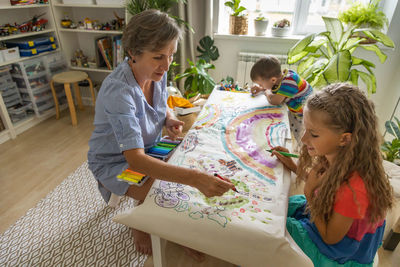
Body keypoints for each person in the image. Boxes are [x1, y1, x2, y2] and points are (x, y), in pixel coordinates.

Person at [87, 9, 235, 257]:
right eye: (158, 57)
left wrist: (169, 117)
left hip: (148, 147)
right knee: (168, 192)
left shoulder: (156, 73)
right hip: (115, 163)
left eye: (171, 55)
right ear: (133, 53)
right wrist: (196, 179)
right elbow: (135, 160)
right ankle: (142, 222)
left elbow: (161, 102)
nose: (166, 65)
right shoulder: (119, 92)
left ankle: (156, 216)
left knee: (193, 155)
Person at [271, 83, 394, 266]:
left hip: (339, 254)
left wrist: (310, 193)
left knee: (274, 231)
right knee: (279, 206)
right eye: (305, 130)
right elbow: (326, 184)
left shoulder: (354, 189)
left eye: (313, 134)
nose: (304, 140)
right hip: (330, 218)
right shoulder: (341, 155)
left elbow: (330, 238)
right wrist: (293, 166)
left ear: (344, 138)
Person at [250, 56, 313, 146]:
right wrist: (262, 88)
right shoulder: (282, 77)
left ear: (273, 80)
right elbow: (275, 90)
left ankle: (305, 154)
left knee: (303, 141)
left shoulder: (289, 82)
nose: (260, 85)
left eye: (261, 83)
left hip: (305, 117)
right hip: (296, 110)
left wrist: (266, 91)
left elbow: (274, 101)